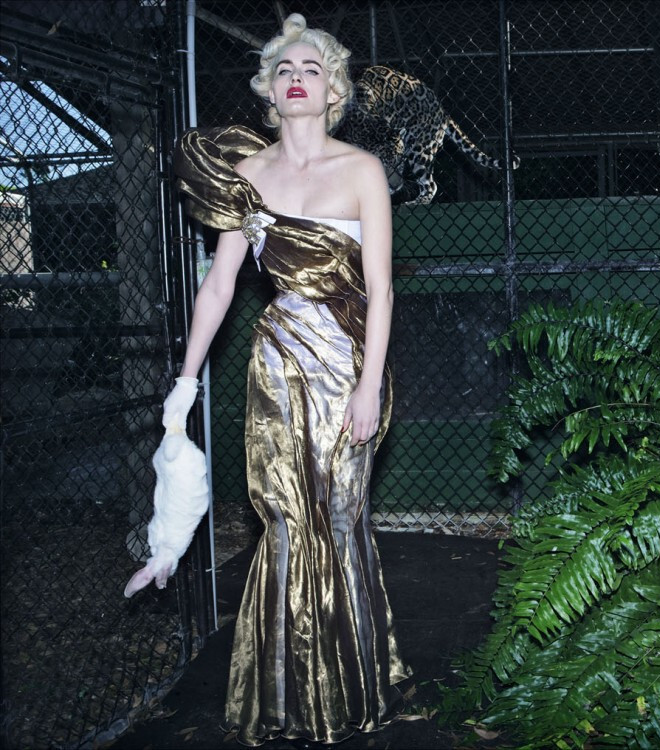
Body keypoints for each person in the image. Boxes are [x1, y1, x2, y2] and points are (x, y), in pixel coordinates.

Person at [165, 13, 408, 746]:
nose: (297, 78)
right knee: (281, 518)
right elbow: (219, 286)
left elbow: (382, 289)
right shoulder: (249, 177)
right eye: (284, 69)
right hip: (276, 364)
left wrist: (369, 386)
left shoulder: (362, 170)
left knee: (337, 517)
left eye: (311, 69)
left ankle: (350, 686)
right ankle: (283, 695)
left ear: (333, 89)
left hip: (347, 365)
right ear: (269, 91)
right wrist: (184, 382)